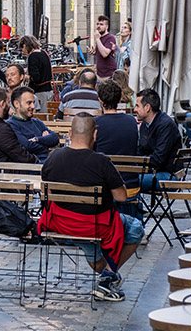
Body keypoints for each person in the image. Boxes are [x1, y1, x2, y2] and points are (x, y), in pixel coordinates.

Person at [37, 113, 144, 302]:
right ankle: (109, 276)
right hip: (95, 224)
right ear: (95, 135)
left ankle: (105, 274)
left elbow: (46, 191)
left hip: (61, 222)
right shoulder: (101, 162)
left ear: (69, 133)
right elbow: (121, 196)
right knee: (135, 227)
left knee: (93, 242)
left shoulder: (53, 158)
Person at [94, 80, 140, 189]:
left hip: (103, 185)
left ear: (100, 100)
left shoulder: (95, 124)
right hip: (130, 183)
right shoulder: (131, 121)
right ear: (119, 99)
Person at [135, 88, 182, 192]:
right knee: (121, 179)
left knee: (127, 181)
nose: (134, 109)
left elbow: (158, 159)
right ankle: (136, 207)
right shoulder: (145, 125)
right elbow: (140, 150)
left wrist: (138, 163)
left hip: (168, 176)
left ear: (147, 107)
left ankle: (135, 208)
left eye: (137, 106)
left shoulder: (165, 125)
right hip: (151, 172)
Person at [6, 86, 60, 161]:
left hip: (47, 162)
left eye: (33, 102)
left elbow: (55, 138)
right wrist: (46, 143)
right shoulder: (10, 125)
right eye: (29, 103)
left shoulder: (37, 122)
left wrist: (37, 139)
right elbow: (27, 146)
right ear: (16, 104)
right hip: (31, 165)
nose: (33, 106)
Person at [19, 35, 54, 107]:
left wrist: (26, 77)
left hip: (39, 93)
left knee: (40, 116)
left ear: (25, 46)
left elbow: (36, 78)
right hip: (49, 90)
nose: (23, 51)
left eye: (22, 48)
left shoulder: (33, 56)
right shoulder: (44, 53)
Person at [89, 15, 118, 79]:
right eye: (97, 24)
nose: (98, 26)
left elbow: (105, 54)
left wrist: (97, 39)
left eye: (101, 24)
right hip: (99, 73)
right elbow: (101, 52)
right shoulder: (100, 37)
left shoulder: (110, 37)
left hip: (108, 73)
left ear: (106, 27)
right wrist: (94, 52)